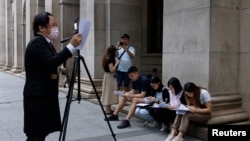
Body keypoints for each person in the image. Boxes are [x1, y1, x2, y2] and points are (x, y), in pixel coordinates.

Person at [23, 11, 82, 141]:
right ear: (42, 27)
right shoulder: (37, 42)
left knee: (40, 133)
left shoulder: (45, 43)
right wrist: (71, 47)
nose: (56, 28)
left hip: (42, 96)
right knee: (36, 135)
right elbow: (51, 61)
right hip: (37, 98)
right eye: (53, 25)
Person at [101, 45, 120, 115]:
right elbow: (112, 70)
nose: (116, 52)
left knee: (108, 92)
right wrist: (117, 63)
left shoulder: (106, 57)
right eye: (115, 51)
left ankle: (108, 108)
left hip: (107, 76)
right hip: (110, 76)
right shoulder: (110, 59)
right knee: (109, 92)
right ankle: (107, 110)